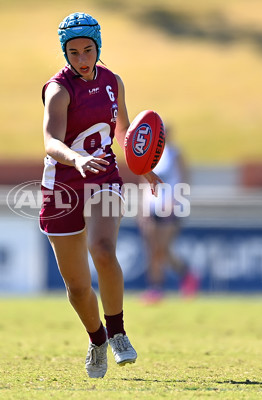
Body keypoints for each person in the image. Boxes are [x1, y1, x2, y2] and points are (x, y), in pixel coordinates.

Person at [40, 12, 162, 378]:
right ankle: (97, 340)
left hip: (104, 177)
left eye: (87, 50)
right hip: (62, 184)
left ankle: (118, 331)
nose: (81, 58)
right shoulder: (59, 90)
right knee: (78, 288)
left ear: (98, 47)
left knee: (104, 251)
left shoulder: (113, 82)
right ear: (65, 52)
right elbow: (50, 142)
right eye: (73, 52)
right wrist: (76, 159)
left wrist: (143, 167)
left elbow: (124, 131)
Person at [138, 128, 199, 305]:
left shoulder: (175, 154)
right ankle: (155, 288)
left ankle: (186, 273)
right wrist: (142, 208)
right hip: (152, 206)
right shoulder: (147, 155)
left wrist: (175, 200)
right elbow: (143, 182)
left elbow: (184, 179)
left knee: (162, 249)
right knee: (152, 250)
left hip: (170, 207)